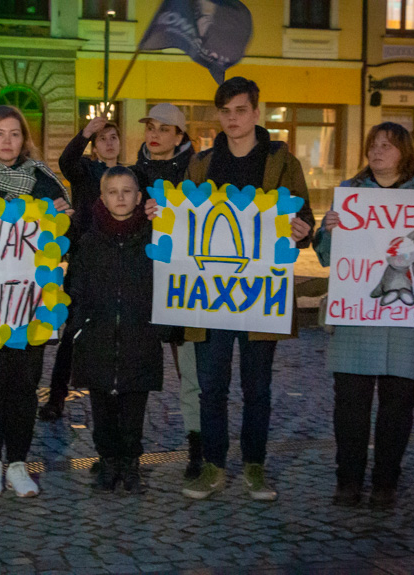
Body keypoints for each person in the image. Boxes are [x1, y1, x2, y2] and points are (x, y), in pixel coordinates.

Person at [145, 77, 315, 501]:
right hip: (210, 294)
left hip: (261, 296)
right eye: (226, 111)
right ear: (218, 115)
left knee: (257, 387)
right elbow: (182, 215)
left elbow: (305, 217)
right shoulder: (202, 164)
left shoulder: (281, 161)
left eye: (241, 110)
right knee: (212, 385)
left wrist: (302, 228)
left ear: (256, 112)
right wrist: (159, 213)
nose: (233, 119)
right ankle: (214, 465)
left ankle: (255, 466)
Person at [313, 122, 414, 509]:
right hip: (357, 317)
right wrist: (329, 230)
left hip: (407, 323)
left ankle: (385, 482)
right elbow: (327, 256)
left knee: (397, 408)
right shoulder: (350, 193)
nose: (377, 152)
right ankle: (347, 481)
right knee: (350, 405)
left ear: (405, 152)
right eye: (373, 146)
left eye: (387, 146)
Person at [0, 105, 72, 497]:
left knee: (24, 384)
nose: (7, 142)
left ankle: (19, 463)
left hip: (32, 302)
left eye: (14, 134)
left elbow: (66, 229)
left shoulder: (44, 182)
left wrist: (61, 216)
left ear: (25, 139)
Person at [69, 166, 163, 494]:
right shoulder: (90, 241)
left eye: (127, 191)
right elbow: (76, 287)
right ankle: (108, 461)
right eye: (113, 192)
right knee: (102, 410)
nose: (120, 197)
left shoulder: (155, 238)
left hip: (140, 340)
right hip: (98, 341)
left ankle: (130, 463)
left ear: (139, 197)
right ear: (103, 198)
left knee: (134, 411)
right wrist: (81, 326)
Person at [131, 103, 203, 479]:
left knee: (191, 373)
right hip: (143, 282)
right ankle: (126, 451)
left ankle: (197, 446)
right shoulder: (133, 173)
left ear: (179, 136)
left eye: (164, 129)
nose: (154, 134)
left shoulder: (198, 172)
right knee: (133, 373)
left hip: (186, 283)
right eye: (150, 127)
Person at [38, 117, 122, 422]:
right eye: (103, 139)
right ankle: (56, 398)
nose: (109, 142)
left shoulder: (131, 175)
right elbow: (66, 160)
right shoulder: (86, 171)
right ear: (96, 147)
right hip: (86, 261)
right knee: (73, 332)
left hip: (119, 264)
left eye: (113, 137)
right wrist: (85, 132)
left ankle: (113, 397)